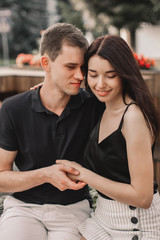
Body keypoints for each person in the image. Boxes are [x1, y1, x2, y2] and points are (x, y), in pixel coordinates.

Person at [0, 23, 105, 240]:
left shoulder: (94, 105)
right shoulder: (13, 109)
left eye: (83, 68)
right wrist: (45, 175)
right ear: (46, 63)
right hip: (23, 209)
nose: (80, 76)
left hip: (74, 209)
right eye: (70, 67)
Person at [56, 35, 160, 239]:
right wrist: (43, 92)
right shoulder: (101, 106)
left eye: (110, 75)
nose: (100, 84)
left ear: (124, 74)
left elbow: (143, 196)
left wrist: (84, 174)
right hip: (103, 217)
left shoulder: (133, 117)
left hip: (135, 224)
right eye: (93, 75)